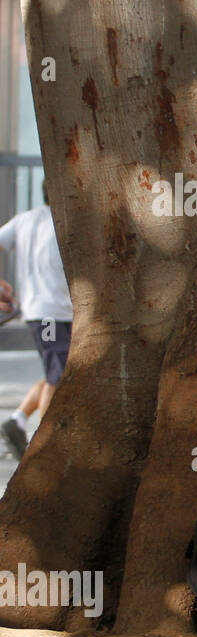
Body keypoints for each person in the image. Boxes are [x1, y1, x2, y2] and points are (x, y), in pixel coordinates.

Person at [0, 183, 74, 457]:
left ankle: (18, 419)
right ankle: (44, 447)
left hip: (58, 311)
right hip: (49, 314)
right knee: (58, 376)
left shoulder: (24, 220)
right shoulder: (62, 221)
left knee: (57, 371)